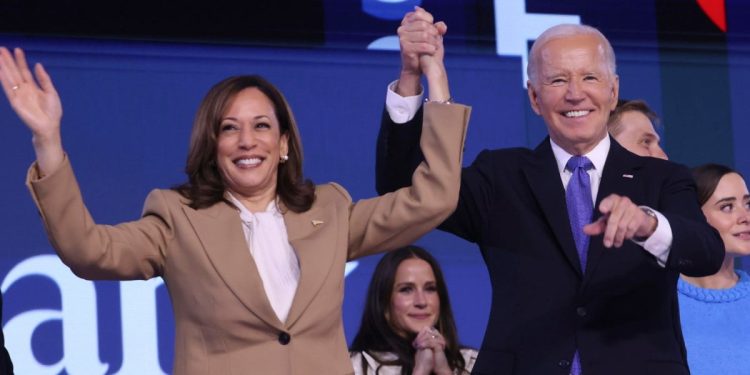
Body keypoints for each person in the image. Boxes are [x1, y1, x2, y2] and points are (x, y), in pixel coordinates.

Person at [0, 44, 470, 374]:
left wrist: (436, 79)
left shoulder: (330, 209)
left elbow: (434, 198)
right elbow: (87, 250)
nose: (247, 141)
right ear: (212, 144)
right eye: (230, 128)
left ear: (283, 143)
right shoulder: (176, 217)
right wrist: (48, 140)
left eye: (262, 126)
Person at [375, 8, 724, 375]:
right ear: (535, 98)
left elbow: (706, 253)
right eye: (558, 80)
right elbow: (403, 189)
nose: (575, 94)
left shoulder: (661, 177)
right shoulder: (501, 177)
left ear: (612, 90)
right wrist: (413, 76)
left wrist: (648, 225)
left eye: (589, 77)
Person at [349, 246, 477, 374]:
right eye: (406, 290)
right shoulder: (354, 366)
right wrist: (420, 370)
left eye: (430, 289)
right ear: (384, 301)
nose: (421, 302)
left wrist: (443, 371)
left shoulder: (471, 362)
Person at [677, 164, 750, 374]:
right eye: (727, 207)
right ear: (694, 217)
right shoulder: (660, 303)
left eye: (748, 204)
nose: (745, 217)